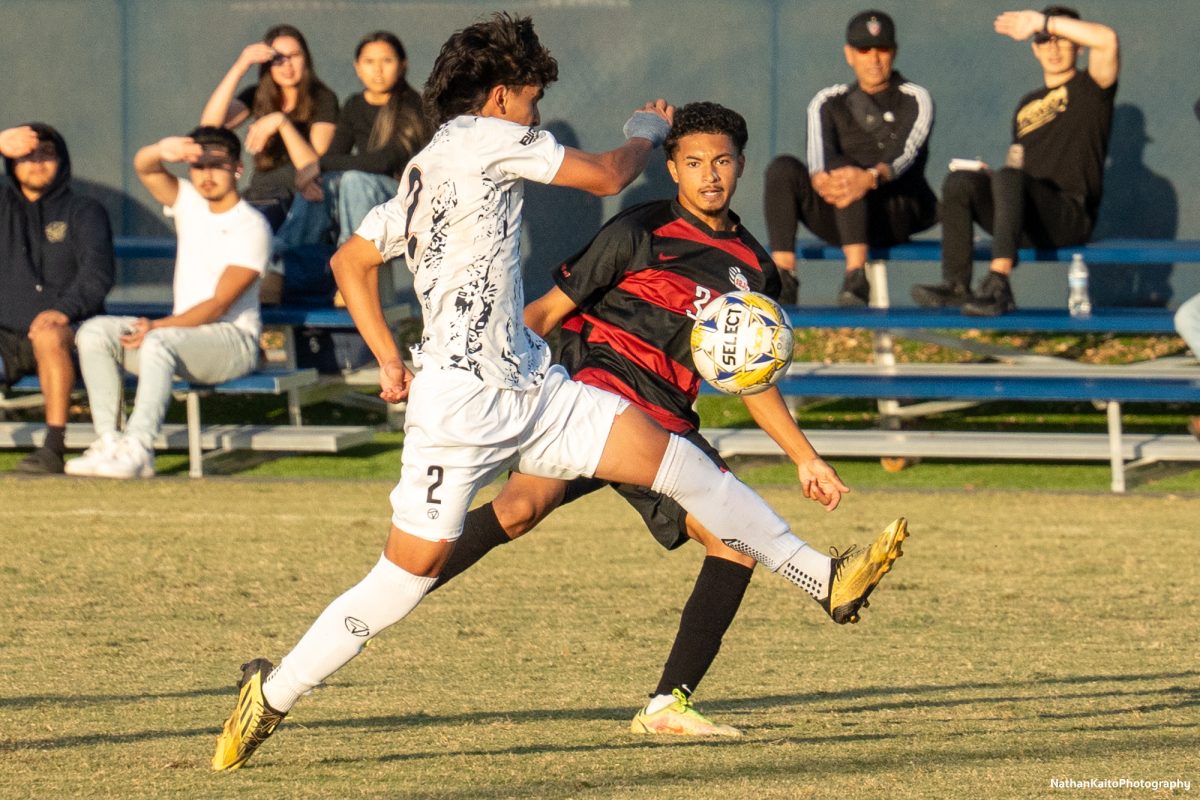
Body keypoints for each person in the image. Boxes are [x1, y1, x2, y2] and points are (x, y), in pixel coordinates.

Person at [211, 13, 907, 771]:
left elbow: (351, 264)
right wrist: (644, 131)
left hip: (531, 387)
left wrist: (387, 359)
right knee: (407, 576)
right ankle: (274, 693)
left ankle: (825, 579)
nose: (537, 116)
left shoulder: (424, 167)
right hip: (466, 402)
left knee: (679, 464)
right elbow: (610, 175)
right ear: (503, 95)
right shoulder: (489, 134)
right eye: (535, 100)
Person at [422, 101, 865, 737]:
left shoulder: (752, 266)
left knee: (531, 513)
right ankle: (389, 592)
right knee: (723, 536)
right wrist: (484, 374)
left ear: (740, 165)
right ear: (673, 168)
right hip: (593, 396)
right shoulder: (640, 231)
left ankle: (669, 703)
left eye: (720, 161)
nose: (708, 174)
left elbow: (750, 378)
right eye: (693, 163)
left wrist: (804, 456)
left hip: (664, 424)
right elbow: (544, 314)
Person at [65, 127, 270, 479]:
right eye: (199, 166)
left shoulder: (251, 225)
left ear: (237, 168)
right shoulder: (189, 202)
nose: (206, 175)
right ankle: (110, 443)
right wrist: (163, 149)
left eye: (216, 165)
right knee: (95, 331)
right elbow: (145, 166)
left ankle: (139, 449)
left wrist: (157, 327)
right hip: (180, 340)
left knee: (158, 341)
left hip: (233, 342)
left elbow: (220, 304)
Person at [912, 6, 1119, 316]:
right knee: (961, 182)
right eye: (1045, 40)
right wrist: (991, 178)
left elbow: (1107, 40)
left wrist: (1042, 21)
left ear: (1078, 46)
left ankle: (998, 284)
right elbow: (1017, 166)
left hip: (1070, 216)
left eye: (1062, 39)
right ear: (1035, 49)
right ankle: (956, 285)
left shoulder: (1092, 88)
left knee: (1008, 178)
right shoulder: (1027, 104)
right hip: (1026, 215)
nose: (1054, 48)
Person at [763, 10, 936, 306]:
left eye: (881, 49)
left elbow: (905, 154)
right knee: (782, 169)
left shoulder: (915, 97)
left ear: (893, 52)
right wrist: (823, 180)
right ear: (849, 54)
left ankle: (856, 277)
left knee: (848, 172)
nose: (874, 58)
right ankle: (784, 276)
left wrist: (869, 178)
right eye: (864, 50)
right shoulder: (827, 101)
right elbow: (819, 158)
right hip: (838, 214)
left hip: (894, 213)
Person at [0, 124, 115, 474]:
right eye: (26, 155)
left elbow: (98, 275)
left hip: (70, 334)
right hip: (5, 337)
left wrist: (62, 311)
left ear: (62, 161)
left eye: (46, 153)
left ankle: (52, 447)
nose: (37, 162)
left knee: (49, 335)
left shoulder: (84, 209)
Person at [275, 31, 432, 252]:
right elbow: (334, 155)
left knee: (353, 180)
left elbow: (384, 162)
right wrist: (317, 178)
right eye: (369, 62)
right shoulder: (354, 105)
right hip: (363, 198)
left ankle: (351, 255)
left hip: (405, 200)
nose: (377, 70)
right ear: (357, 67)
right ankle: (281, 257)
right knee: (322, 184)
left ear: (402, 65)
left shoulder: (413, 106)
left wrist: (318, 166)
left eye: (386, 61)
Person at [200, 24, 338, 229]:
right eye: (278, 59)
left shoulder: (323, 98)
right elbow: (209, 126)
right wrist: (241, 66)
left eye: (294, 56)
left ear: (306, 59)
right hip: (259, 195)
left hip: (299, 197)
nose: (287, 65)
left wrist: (281, 123)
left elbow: (314, 166)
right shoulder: (259, 94)